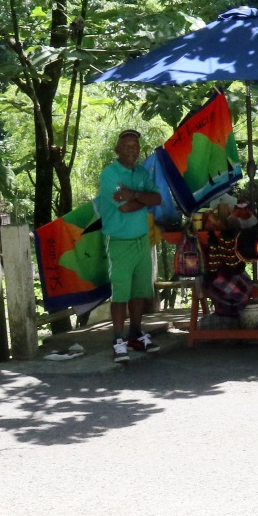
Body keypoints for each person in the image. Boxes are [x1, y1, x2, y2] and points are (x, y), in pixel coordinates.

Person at [95, 129, 163, 362]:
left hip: (141, 238)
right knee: (120, 293)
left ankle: (135, 333)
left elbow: (157, 199)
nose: (131, 150)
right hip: (118, 240)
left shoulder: (142, 172)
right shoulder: (110, 174)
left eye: (135, 146)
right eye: (127, 146)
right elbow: (123, 208)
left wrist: (133, 194)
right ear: (117, 149)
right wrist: (142, 199)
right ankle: (117, 340)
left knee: (140, 291)